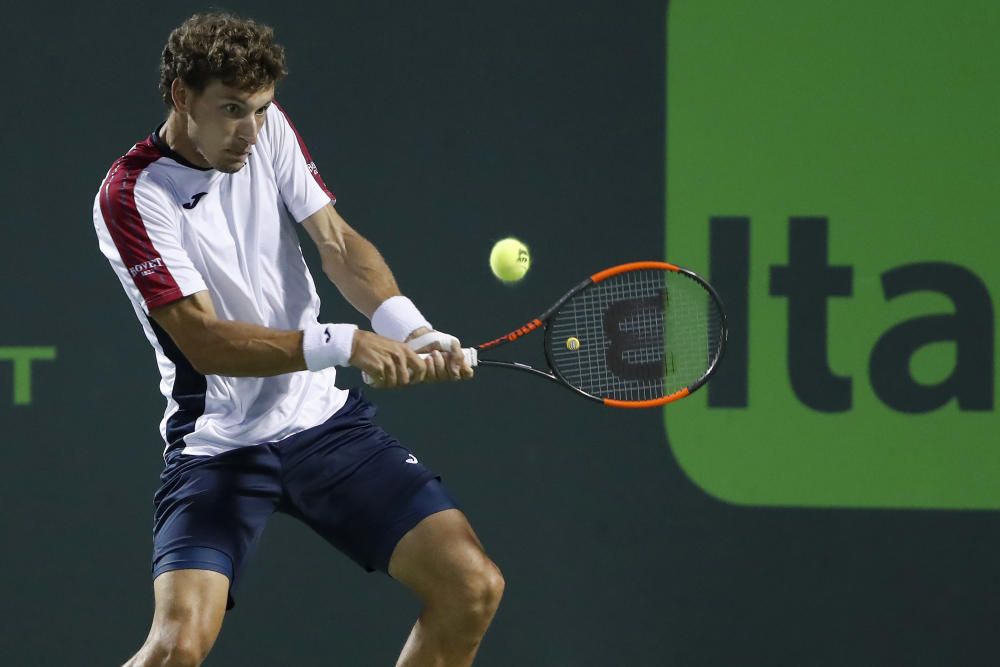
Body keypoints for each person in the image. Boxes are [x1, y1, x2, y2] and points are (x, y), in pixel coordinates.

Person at [92, 12, 503, 667]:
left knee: (472, 586)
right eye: (231, 110)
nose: (251, 132)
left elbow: (336, 242)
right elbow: (203, 341)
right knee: (174, 648)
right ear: (181, 98)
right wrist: (346, 342)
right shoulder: (132, 195)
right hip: (219, 447)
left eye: (260, 109)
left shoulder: (266, 130)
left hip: (326, 427)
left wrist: (410, 327)